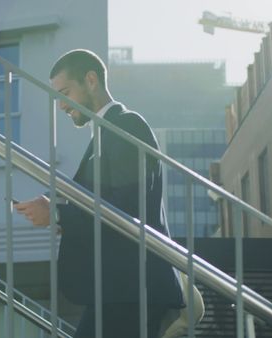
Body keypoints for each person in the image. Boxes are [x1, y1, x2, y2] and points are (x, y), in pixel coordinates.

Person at [14, 49, 183, 337]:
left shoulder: (126, 125)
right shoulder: (105, 134)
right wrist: (59, 212)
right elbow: (102, 201)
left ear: (91, 80)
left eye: (65, 92)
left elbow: (126, 207)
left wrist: (57, 212)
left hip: (133, 287)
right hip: (121, 287)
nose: (61, 106)